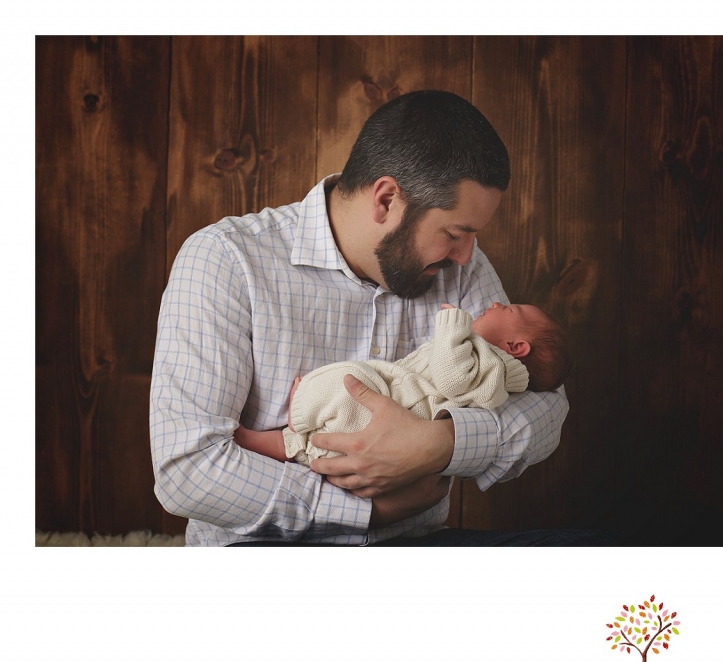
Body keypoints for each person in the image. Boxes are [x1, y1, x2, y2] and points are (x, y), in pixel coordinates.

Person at [150, 89, 606, 546]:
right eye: (454, 233)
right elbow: (186, 468)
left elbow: (547, 406)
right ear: (386, 200)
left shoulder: (460, 269)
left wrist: (438, 445)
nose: (467, 256)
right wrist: (363, 511)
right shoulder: (227, 259)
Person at [233, 301, 572, 466]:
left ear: (516, 347)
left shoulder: (490, 368)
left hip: (399, 412)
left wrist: (451, 323)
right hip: (393, 400)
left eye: (509, 309)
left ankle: (301, 408)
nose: (497, 303)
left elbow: (450, 378)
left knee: (347, 382)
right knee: (316, 433)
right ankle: (269, 432)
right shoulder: (486, 361)